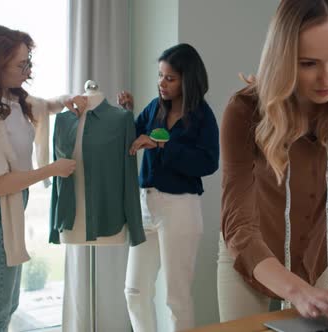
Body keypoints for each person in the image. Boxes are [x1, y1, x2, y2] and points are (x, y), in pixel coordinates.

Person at [218, 0, 328, 331]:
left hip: (320, 252)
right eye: (308, 64)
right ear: (283, 59)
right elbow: (239, 226)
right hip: (253, 252)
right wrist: (296, 291)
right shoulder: (243, 111)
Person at [0, 24, 78, 331]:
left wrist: (69, 100)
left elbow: (44, 106)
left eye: (28, 62)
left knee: (8, 307)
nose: (27, 70)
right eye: (21, 64)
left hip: (7, 213)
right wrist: (52, 169)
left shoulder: (13, 99)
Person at [117, 43, 219, 332]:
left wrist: (163, 144)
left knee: (176, 298)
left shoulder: (202, 116)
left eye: (170, 78)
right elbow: (131, 140)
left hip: (179, 208)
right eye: (160, 75)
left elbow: (209, 162)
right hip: (145, 205)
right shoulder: (153, 109)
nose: (162, 83)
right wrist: (127, 112)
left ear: (188, 80)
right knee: (134, 292)